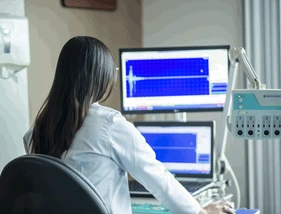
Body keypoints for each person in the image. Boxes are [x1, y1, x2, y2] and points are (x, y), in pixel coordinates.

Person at [23, 36, 234, 214]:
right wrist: (201, 211)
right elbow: (157, 178)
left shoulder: (36, 130)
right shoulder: (109, 124)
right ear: (100, 78)